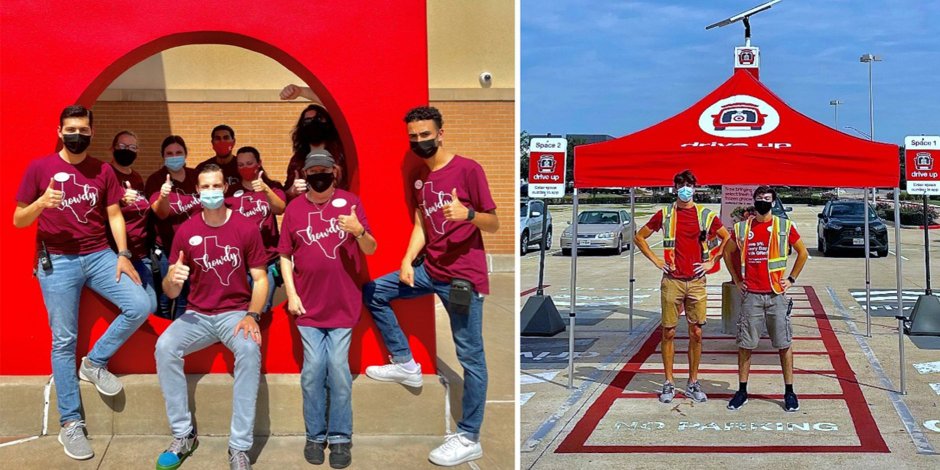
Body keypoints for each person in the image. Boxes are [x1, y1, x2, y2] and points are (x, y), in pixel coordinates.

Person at [13, 105, 154, 460]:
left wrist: (123, 253)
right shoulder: (39, 168)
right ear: (60, 131)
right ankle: (70, 424)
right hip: (57, 260)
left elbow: (113, 213)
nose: (78, 135)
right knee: (63, 340)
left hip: (98, 254)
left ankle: (93, 363)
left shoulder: (102, 170)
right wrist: (42, 203)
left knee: (141, 304)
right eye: (71, 129)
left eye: (84, 130)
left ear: (91, 133)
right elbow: (18, 219)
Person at [362, 106, 499, 466]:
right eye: (414, 136)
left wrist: (468, 214)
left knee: (470, 355)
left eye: (426, 135)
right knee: (374, 292)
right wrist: (407, 260)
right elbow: (422, 223)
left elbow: (495, 222)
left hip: (462, 279)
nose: (420, 141)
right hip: (430, 270)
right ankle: (405, 363)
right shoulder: (421, 178)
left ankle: (470, 436)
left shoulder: (468, 169)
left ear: (440, 133)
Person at [154, 164, 269, 470]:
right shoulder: (187, 231)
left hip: (234, 313)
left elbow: (260, 279)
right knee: (165, 347)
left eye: (216, 186)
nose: (211, 192)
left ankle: (239, 447)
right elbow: (171, 292)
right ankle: (183, 436)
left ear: (225, 188)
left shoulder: (245, 227)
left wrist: (252, 315)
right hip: (197, 314)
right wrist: (172, 280)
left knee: (248, 349)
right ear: (197, 192)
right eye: (205, 187)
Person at [278, 150, 376, 469]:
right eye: (312, 170)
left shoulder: (350, 202)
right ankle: (315, 435)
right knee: (312, 372)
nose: (318, 175)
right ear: (305, 174)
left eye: (324, 169)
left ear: (334, 171)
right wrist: (291, 295)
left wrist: (357, 230)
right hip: (307, 305)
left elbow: (372, 247)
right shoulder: (294, 209)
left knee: (338, 370)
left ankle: (340, 437)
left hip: (343, 303)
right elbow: (285, 255)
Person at [634, 169, 730, 404]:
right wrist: (657, 260)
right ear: (675, 188)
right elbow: (639, 237)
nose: (685, 189)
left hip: (696, 281)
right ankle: (668, 382)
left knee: (696, 332)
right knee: (668, 332)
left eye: (689, 185)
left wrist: (711, 261)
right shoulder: (665, 214)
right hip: (673, 280)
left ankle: (693, 382)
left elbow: (727, 237)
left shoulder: (705, 215)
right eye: (681, 185)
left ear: (695, 188)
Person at [723, 186, 809, 412]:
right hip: (751, 294)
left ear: (773, 203)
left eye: (767, 199)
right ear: (754, 201)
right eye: (759, 198)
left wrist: (791, 279)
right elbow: (726, 252)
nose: (763, 202)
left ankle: (789, 391)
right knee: (745, 345)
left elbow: (803, 253)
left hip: (776, 295)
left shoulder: (784, 226)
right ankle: (742, 390)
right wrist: (736, 279)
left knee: (784, 344)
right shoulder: (742, 228)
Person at [146, 136, 201, 319]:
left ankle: (179, 336)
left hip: (193, 250)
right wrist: (163, 196)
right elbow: (159, 213)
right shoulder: (156, 180)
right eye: (169, 154)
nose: (174, 156)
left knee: (186, 297)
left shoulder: (195, 177)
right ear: (163, 156)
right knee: (165, 299)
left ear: (186, 154)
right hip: (167, 251)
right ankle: (161, 338)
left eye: (178, 153)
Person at [226, 146, 286, 313]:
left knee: (262, 308)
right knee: (240, 309)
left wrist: (265, 189)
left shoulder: (272, 187)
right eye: (241, 165)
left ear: (259, 163)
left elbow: (280, 208)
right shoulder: (230, 192)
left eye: (249, 163)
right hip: (240, 263)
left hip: (267, 259)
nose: (245, 168)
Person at [106, 130, 157, 305]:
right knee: (136, 306)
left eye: (132, 147)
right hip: (116, 255)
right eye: (122, 146)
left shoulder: (136, 178)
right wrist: (119, 200)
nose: (127, 150)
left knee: (151, 305)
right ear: (112, 148)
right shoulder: (105, 174)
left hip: (141, 255)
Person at [279, 85, 347, 199]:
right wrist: (292, 191)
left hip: (340, 210)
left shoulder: (343, 151)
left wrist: (301, 91)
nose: (313, 123)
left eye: (319, 118)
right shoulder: (298, 161)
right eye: (308, 120)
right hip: (310, 213)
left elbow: (339, 105)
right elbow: (286, 195)